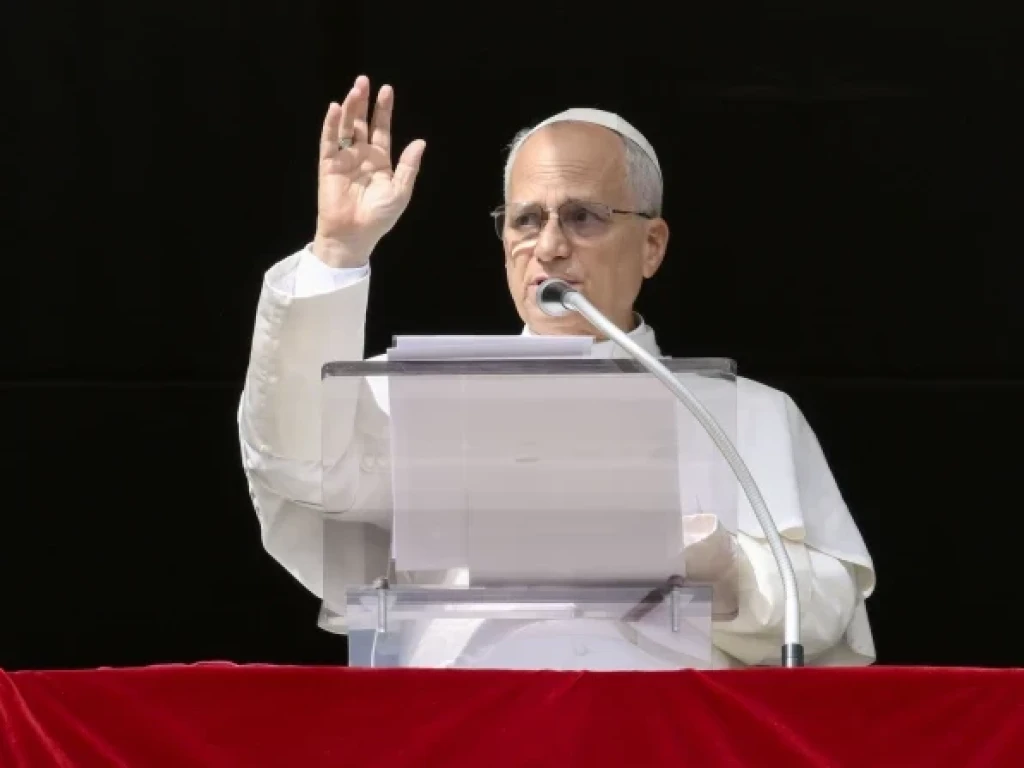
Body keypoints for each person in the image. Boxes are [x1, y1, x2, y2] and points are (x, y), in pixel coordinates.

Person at [238, 74, 877, 668]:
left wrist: (720, 566)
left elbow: (826, 607)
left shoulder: (747, 412)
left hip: (661, 726)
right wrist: (338, 250)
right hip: (473, 722)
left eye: (582, 217)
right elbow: (297, 466)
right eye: (526, 220)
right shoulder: (415, 390)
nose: (548, 247)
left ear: (652, 246)